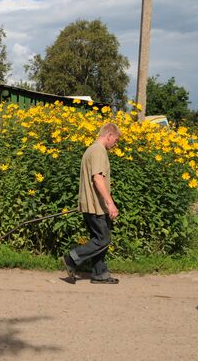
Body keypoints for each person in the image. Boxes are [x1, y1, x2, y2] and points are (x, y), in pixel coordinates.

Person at [62, 122, 120, 284]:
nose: (116, 144)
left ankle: (99, 273)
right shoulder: (98, 151)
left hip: (91, 204)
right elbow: (97, 178)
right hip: (96, 205)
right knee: (103, 239)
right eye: (115, 140)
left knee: (98, 237)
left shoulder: (92, 149)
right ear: (109, 136)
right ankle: (71, 259)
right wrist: (110, 203)